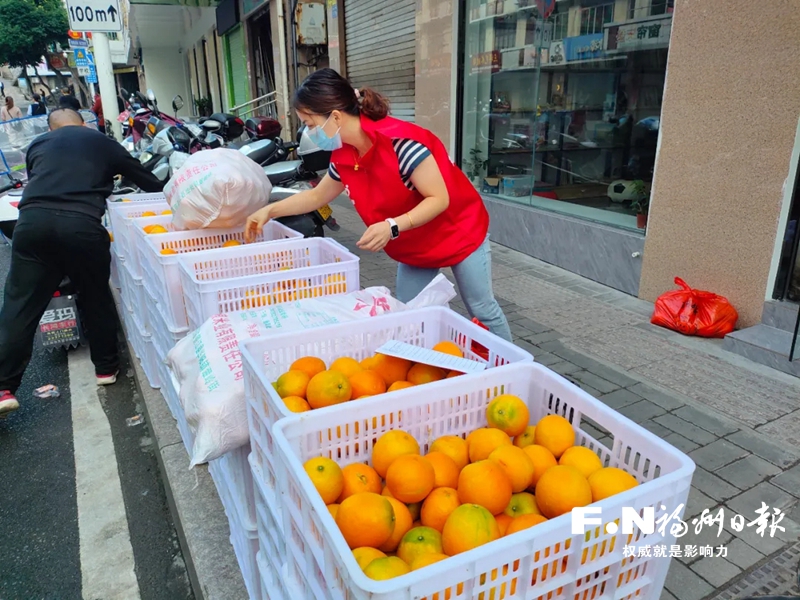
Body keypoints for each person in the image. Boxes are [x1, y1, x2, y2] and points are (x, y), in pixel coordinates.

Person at [245, 68, 512, 342]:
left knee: (481, 309)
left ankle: (514, 369)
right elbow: (316, 197)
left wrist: (391, 226)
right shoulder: (343, 155)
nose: (309, 132)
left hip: (458, 231)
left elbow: (438, 199)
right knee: (409, 314)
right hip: (415, 244)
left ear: (335, 116)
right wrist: (270, 210)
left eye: (311, 124)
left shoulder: (402, 145)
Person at [0, 108, 166, 416]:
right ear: (83, 124)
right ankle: (105, 369)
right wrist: (173, 196)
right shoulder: (99, 140)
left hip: (32, 225)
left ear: (51, 129)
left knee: (19, 305)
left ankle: (3, 387)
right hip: (81, 226)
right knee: (94, 296)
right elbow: (144, 178)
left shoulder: (37, 145)